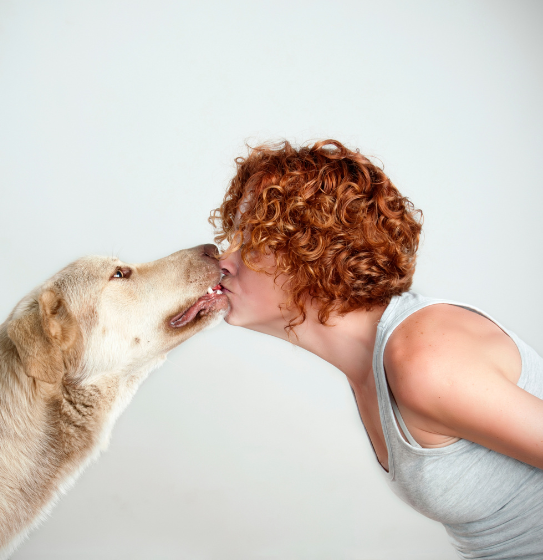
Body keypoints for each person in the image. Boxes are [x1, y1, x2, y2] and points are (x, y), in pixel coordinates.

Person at [209, 140, 543, 559]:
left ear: (314, 255)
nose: (225, 259)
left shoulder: (425, 362)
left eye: (253, 240)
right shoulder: (374, 364)